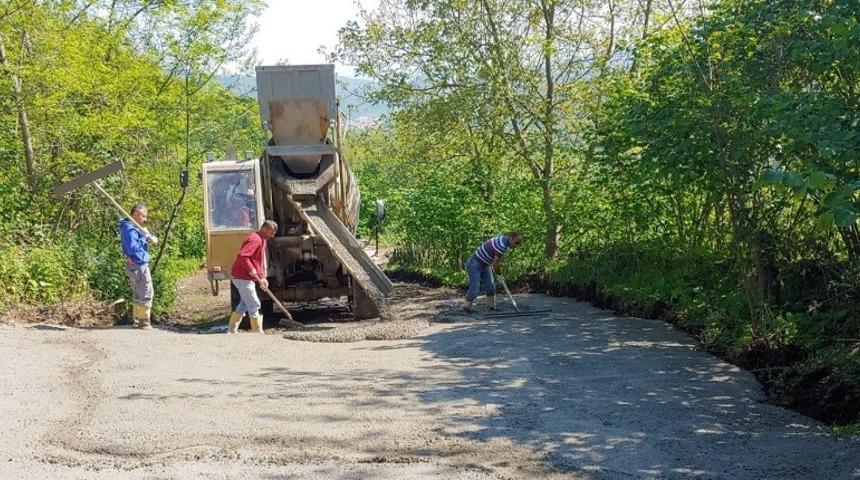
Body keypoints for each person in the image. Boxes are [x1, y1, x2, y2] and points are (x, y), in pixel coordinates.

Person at [228, 220, 278, 334]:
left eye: (274, 233)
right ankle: (257, 332)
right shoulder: (255, 239)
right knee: (254, 303)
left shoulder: (262, 240)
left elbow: (258, 261)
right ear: (264, 229)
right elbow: (242, 256)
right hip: (241, 277)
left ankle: (231, 330)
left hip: (244, 277)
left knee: (244, 303)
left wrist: (262, 277)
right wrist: (251, 269)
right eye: (271, 233)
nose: (272, 236)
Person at [463, 232, 524, 312]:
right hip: (474, 264)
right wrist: (499, 275)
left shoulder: (503, 239)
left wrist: (499, 274)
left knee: (490, 288)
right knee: (474, 289)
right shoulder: (502, 245)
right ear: (511, 238)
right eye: (516, 243)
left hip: (485, 265)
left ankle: (491, 308)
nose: (516, 246)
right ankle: (466, 308)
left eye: (519, 244)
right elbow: (495, 264)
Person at [119, 205, 159, 329]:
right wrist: (144, 237)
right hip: (138, 264)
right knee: (146, 291)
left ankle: (137, 319)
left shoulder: (132, 228)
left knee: (138, 292)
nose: (145, 219)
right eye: (143, 216)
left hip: (135, 264)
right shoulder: (129, 229)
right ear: (135, 214)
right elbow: (132, 248)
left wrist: (144, 236)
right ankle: (144, 321)